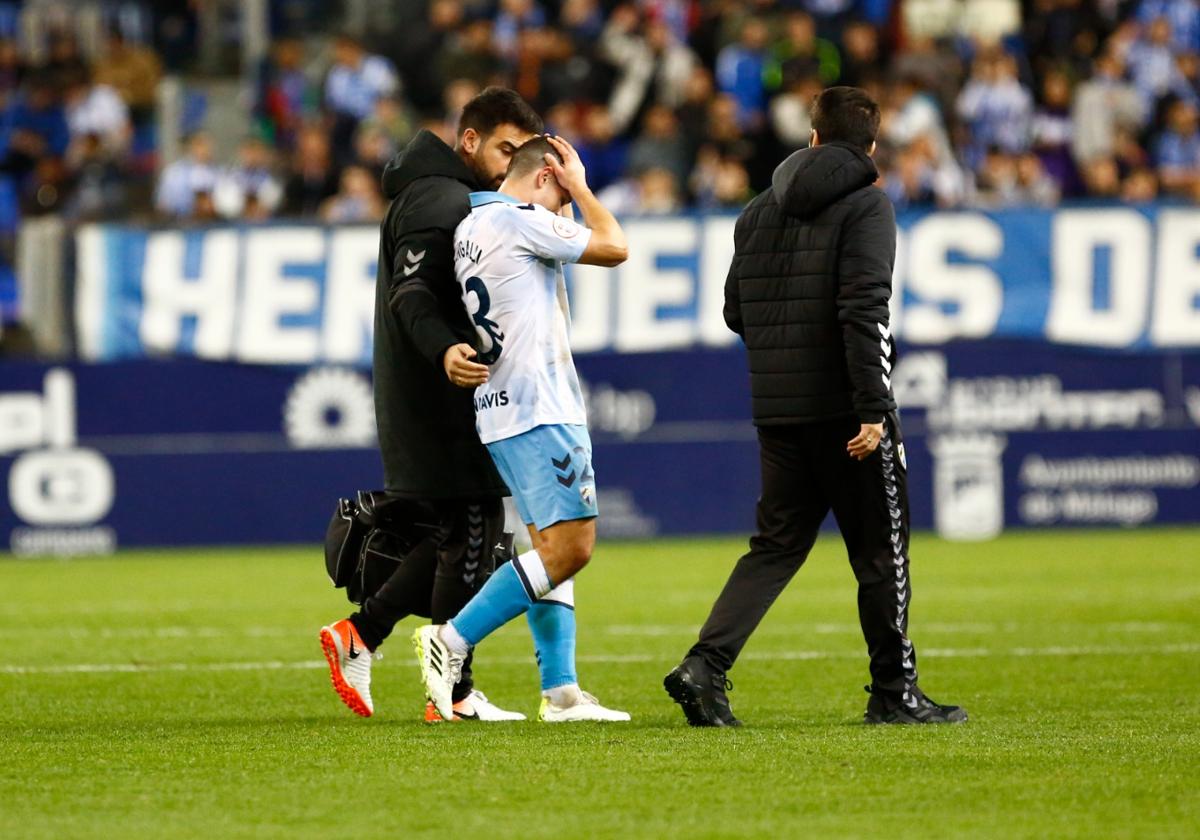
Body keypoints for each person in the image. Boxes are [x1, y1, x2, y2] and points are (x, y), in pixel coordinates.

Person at [663, 86, 968, 727]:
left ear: (813, 137)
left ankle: (705, 666)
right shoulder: (868, 207)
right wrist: (873, 407)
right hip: (847, 411)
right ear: (873, 145)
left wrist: (784, 359)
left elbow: (734, 311)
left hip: (778, 408)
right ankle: (894, 692)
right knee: (882, 550)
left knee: (774, 547)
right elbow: (864, 311)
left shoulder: (756, 211)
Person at [318, 88, 542, 722]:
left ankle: (363, 634)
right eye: (504, 149)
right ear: (468, 140)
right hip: (439, 393)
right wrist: (446, 350)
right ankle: (454, 691)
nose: (509, 165)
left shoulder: (443, 195)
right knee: (473, 533)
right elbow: (412, 296)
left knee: (456, 536)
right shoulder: (438, 198)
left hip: (437, 388)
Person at [412, 134, 631, 723]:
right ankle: (450, 640)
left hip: (499, 408)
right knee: (572, 548)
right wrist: (582, 184)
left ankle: (561, 692)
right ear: (545, 176)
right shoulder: (519, 219)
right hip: (541, 404)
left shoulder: (469, 227)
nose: (565, 208)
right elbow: (615, 246)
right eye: (562, 192)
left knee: (547, 547)